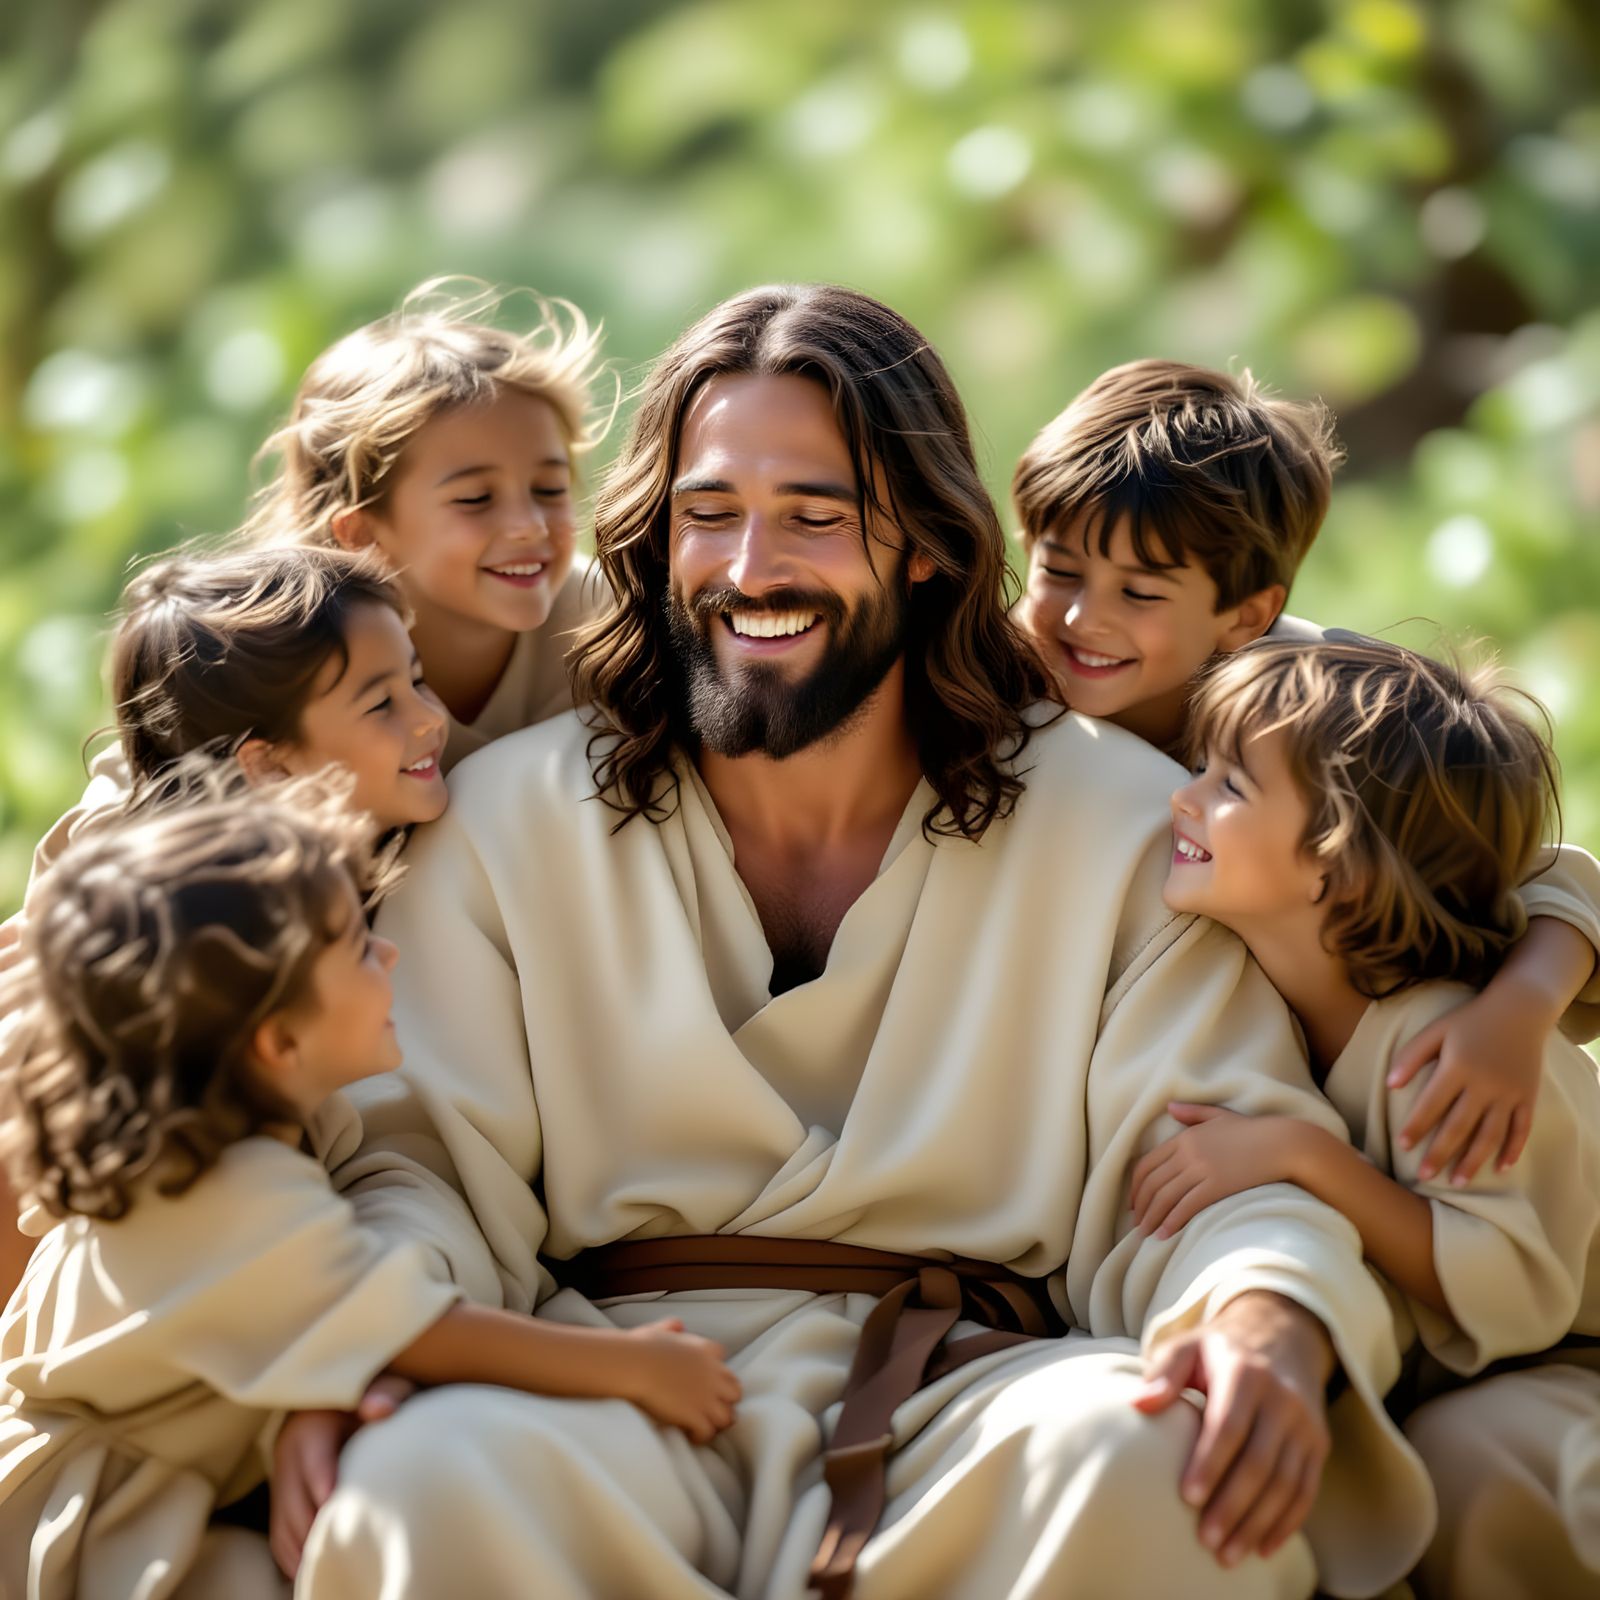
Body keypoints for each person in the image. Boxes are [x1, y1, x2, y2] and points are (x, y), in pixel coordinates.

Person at [275, 284, 1434, 1600]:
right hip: (605, 1390)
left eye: (816, 518)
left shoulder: (1114, 820)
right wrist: (368, 1343)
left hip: (989, 1396)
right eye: (708, 515)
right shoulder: (505, 819)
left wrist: (1265, 1319)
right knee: (425, 1477)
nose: (752, 565)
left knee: (1147, 1459)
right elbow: (420, 1169)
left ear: (926, 545)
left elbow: (1217, 1164)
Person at [0, 775, 740, 1600]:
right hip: (80, 1519)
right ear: (278, 1040)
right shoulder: (221, 1193)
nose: (388, 953)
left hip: (167, 1482)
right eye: (356, 946)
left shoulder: (262, 1132)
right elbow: (424, 1330)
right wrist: (635, 1368)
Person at [1009, 359, 1600, 1190]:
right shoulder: (989, 694)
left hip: (1385, 1110)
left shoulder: (1311, 702)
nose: (1081, 617)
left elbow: (1545, 874)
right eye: (1059, 570)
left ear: (1245, 615)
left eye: (1139, 592)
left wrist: (1518, 1009)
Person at [1132, 635, 1600, 1598]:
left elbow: (1508, 1280)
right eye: (1199, 769)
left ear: (1336, 863)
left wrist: (1302, 1157)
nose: (1183, 797)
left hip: (1570, 1359)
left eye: (1230, 786)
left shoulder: (1442, 1044)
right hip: (1494, 1365)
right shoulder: (1288, 995)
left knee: (1465, 1464)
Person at [246, 277, 613, 770]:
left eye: (549, 489)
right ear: (362, 533)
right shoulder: (283, 657)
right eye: (476, 499)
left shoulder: (606, 619)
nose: (529, 526)